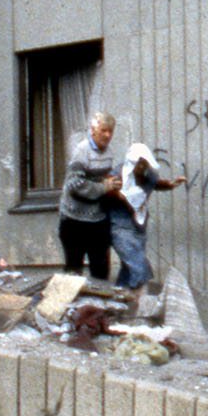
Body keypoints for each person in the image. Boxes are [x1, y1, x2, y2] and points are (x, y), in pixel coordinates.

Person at [109, 142, 188, 291]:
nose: (142, 168)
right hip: (119, 226)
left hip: (138, 225)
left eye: (145, 165)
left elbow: (155, 183)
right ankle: (137, 300)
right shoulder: (117, 175)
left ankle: (120, 300)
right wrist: (117, 194)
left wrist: (170, 184)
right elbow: (105, 191)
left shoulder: (147, 174)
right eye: (139, 165)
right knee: (139, 266)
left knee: (128, 268)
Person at [58, 111, 121, 280]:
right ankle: (73, 307)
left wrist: (114, 184)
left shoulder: (109, 152)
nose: (108, 135)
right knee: (73, 273)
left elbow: (105, 182)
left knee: (101, 272)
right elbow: (75, 184)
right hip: (74, 220)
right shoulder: (82, 151)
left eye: (111, 131)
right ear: (93, 130)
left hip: (98, 220)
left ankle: (98, 307)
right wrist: (103, 187)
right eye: (103, 130)